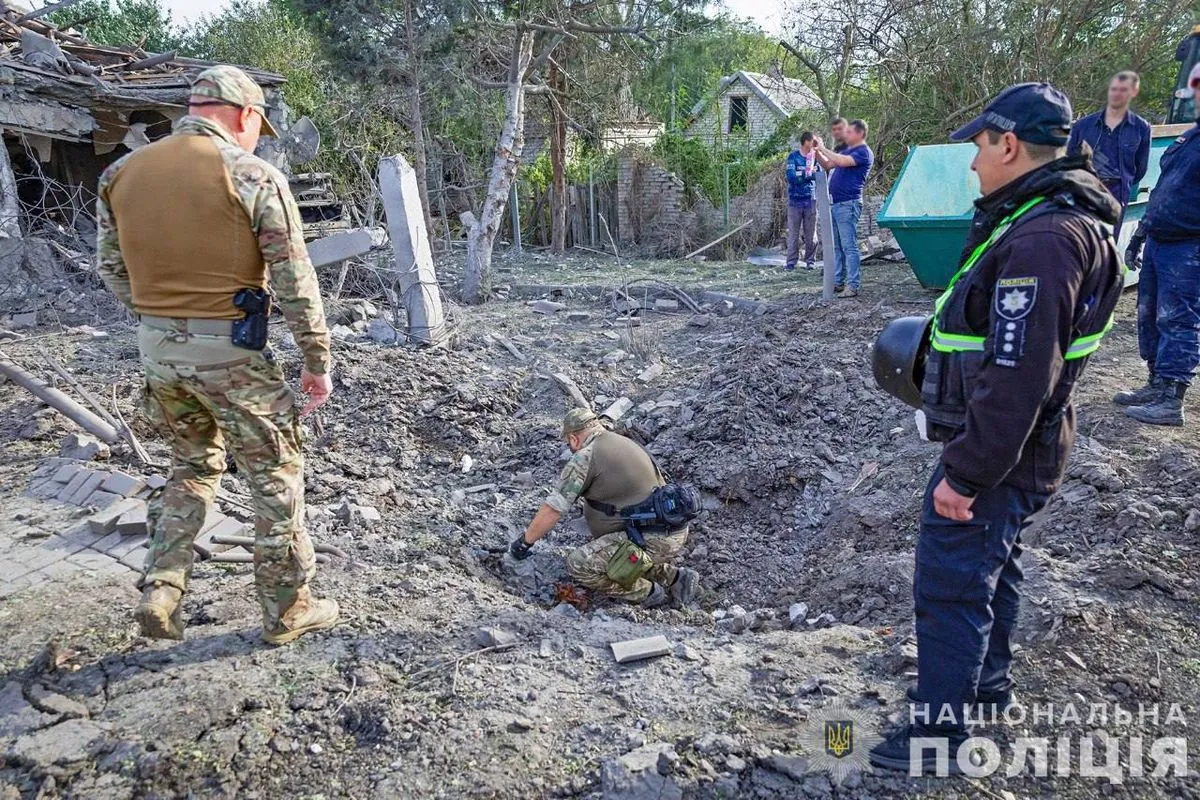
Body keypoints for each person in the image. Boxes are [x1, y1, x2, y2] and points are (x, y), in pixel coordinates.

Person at [868, 83, 1123, 773]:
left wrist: (965, 473)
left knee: (952, 583)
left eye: (980, 147)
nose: (974, 164)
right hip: (1015, 446)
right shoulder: (1050, 220)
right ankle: (984, 697)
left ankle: (940, 737)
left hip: (1002, 452)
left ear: (1008, 144)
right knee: (992, 570)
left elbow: (1019, 374)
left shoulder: (1045, 239)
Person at [95, 65, 338, 645]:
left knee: (192, 464)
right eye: (259, 126)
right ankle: (287, 611)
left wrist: (164, 320)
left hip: (158, 355)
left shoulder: (120, 173)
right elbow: (293, 278)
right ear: (245, 114)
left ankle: (163, 584)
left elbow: (110, 268)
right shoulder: (251, 174)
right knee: (275, 477)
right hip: (231, 357)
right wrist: (316, 360)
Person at [509, 409, 700, 608]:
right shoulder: (622, 441)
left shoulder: (585, 457)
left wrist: (523, 545)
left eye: (569, 443)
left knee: (579, 564)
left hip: (653, 537)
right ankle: (677, 578)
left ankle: (648, 593)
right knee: (613, 554)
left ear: (574, 439)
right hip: (667, 530)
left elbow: (553, 510)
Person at [1117, 63, 1200, 426]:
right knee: (1150, 314)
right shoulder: (1191, 136)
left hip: (1189, 246)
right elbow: (1164, 189)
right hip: (1160, 239)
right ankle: (1155, 382)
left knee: (1178, 318)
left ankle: (1172, 398)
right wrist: (1139, 234)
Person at [1066, 71, 1151, 221]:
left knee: (1108, 241)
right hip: (1084, 190)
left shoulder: (1141, 128)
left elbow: (1140, 168)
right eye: (1114, 89)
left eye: (1123, 90)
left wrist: (1122, 184)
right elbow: (1068, 159)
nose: (1117, 94)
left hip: (1117, 193)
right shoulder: (1083, 126)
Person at [813, 119, 873, 297]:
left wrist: (823, 147)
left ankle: (853, 286)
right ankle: (838, 282)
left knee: (849, 246)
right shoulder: (848, 151)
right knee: (836, 246)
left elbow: (842, 161)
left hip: (848, 203)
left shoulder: (863, 152)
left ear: (860, 134)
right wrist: (816, 151)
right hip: (836, 203)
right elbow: (828, 164)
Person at [785, 132, 818, 271]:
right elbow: (791, 177)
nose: (815, 144)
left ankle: (810, 261)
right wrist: (807, 174)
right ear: (806, 142)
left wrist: (805, 175)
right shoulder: (793, 157)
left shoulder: (815, 158)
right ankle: (791, 262)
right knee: (793, 233)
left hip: (810, 200)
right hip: (795, 201)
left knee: (811, 233)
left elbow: (819, 175)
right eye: (813, 141)